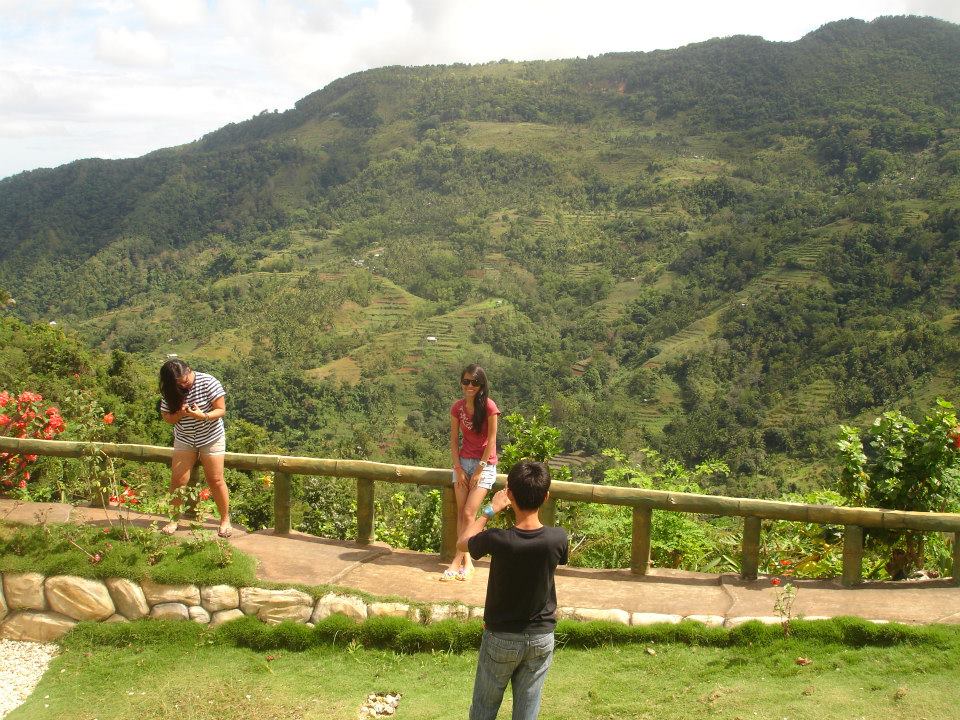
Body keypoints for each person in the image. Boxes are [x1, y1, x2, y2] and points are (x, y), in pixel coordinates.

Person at [458, 460, 568, 720]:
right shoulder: (558, 538)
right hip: (541, 636)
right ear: (546, 496)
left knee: (483, 711)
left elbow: (463, 543)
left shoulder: (498, 539)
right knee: (527, 712)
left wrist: (489, 510)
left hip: (501, 636)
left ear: (509, 495)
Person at [158, 358, 232, 537]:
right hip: (185, 437)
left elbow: (221, 410)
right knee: (178, 480)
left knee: (215, 479)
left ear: (189, 370)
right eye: (180, 382)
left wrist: (203, 416)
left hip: (211, 436)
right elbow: (167, 418)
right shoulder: (170, 390)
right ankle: (174, 519)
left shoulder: (208, 381)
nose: (185, 383)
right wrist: (180, 414)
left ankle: (224, 519)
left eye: (186, 378)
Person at [444, 364, 500, 581]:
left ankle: (456, 561)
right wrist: (458, 468)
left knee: (469, 513)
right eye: (466, 381)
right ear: (461, 382)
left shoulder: (489, 407)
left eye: (474, 382)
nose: (470, 386)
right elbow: (453, 441)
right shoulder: (457, 408)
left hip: (484, 466)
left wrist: (479, 469)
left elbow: (492, 440)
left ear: (481, 385)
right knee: (462, 514)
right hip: (462, 464)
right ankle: (467, 562)